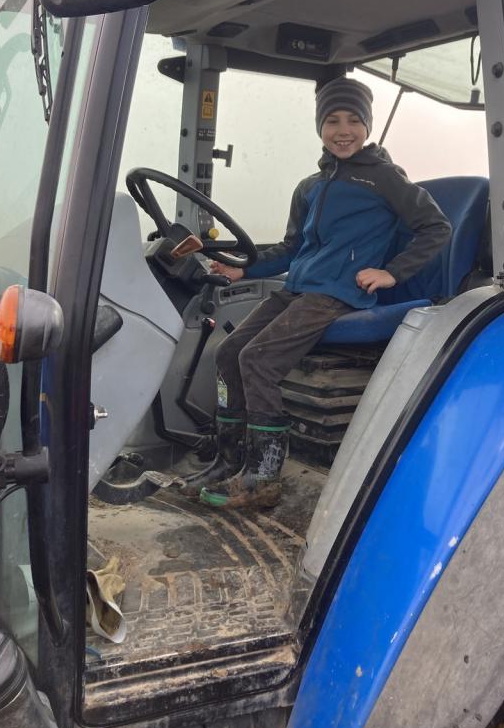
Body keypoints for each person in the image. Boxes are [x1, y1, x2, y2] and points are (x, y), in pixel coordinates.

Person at [184, 77, 451, 510]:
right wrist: (243, 269)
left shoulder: (384, 177)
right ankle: (228, 460)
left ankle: (263, 478)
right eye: (332, 121)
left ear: (367, 126)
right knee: (229, 352)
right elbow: (292, 249)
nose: (343, 130)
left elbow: (436, 227)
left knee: (258, 359)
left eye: (353, 120)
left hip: (337, 293)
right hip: (298, 288)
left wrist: (391, 273)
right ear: (319, 127)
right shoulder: (310, 186)